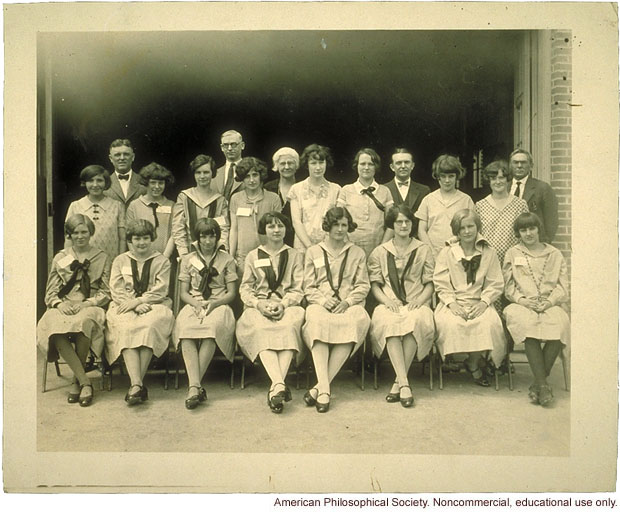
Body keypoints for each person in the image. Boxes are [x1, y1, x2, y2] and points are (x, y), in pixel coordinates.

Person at [37, 214, 111, 407]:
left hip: (89, 304)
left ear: (90, 232)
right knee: (53, 326)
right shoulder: (62, 257)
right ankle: (84, 382)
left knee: (84, 322)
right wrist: (59, 304)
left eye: (84, 232)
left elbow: (105, 291)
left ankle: (75, 381)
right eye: (75, 232)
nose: (80, 236)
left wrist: (87, 303)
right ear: (69, 234)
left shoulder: (101, 257)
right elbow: (51, 290)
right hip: (64, 303)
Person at [302, 207, 371, 412]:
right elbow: (308, 286)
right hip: (321, 303)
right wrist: (323, 301)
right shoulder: (313, 251)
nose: (340, 229)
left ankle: (320, 388)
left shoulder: (357, 252)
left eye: (344, 225)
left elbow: (363, 285)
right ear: (328, 226)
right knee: (317, 322)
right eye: (336, 225)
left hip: (348, 304)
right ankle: (325, 388)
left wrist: (348, 301)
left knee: (356, 320)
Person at [236, 212, 305, 413]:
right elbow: (245, 288)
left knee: (289, 325)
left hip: (287, 304)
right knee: (259, 326)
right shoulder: (253, 255)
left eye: (280, 226)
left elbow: (298, 288)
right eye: (271, 227)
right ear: (264, 231)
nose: (276, 230)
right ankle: (279, 384)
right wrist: (258, 304)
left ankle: (276, 387)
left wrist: (283, 304)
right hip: (259, 304)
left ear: (286, 229)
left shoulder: (294, 255)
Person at [368, 205, 435, 407]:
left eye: (407, 221)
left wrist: (420, 299)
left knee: (416, 320)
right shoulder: (380, 252)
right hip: (389, 302)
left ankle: (399, 383)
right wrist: (386, 301)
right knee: (389, 322)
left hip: (417, 301)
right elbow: (375, 285)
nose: (404, 225)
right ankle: (405, 383)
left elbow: (430, 283)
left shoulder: (423, 249)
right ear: (392, 225)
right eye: (399, 222)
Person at [433, 209, 506, 386]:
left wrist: (484, 302)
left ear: (477, 227)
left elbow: (495, 282)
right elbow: (441, 281)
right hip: (452, 302)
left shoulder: (489, 252)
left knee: (487, 323)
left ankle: (473, 362)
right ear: (457, 231)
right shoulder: (447, 253)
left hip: (479, 301)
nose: (467, 231)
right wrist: (452, 303)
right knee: (451, 323)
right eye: (462, 228)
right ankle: (465, 362)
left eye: (471, 226)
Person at [503, 212, 570, 406]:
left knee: (561, 324)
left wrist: (549, 302)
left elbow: (562, 286)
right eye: (523, 230)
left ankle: (538, 385)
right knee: (528, 325)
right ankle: (543, 385)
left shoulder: (554, 254)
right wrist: (522, 300)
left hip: (550, 302)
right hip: (522, 304)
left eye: (532, 228)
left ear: (539, 229)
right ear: (518, 233)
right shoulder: (513, 253)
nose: (528, 233)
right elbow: (508, 286)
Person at [105, 219, 174, 405]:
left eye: (145, 238)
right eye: (136, 238)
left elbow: (162, 288)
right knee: (126, 327)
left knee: (149, 325)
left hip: (154, 303)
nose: (141, 242)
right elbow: (116, 288)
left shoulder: (162, 261)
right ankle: (138, 385)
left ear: (152, 238)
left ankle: (135, 385)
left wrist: (141, 300)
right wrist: (133, 304)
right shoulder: (120, 260)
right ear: (130, 240)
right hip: (125, 304)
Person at [173, 218, 237, 410]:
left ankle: (193, 385)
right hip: (195, 303)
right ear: (197, 238)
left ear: (217, 238)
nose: (208, 241)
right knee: (186, 329)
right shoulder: (188, 259)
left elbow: (232, 293)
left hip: (219, 303)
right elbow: (183, 292)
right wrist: (197, 304)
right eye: (203, 236)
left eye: (212, 236)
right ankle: (196, 387)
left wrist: (214, 303)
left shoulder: (227, 259)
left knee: (211, 328)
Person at [229, 157, 282, 276]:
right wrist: (231, 257)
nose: (251, 180)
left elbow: (277, 230)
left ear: (261, 175)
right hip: (242, 255)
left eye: (255, 175)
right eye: (247, 176)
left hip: (267, 254)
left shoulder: (273, 199)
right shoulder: (235, 198)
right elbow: (234, 229)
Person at [337, 148, 394, 257]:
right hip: (350, 249)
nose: (366, 167)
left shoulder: (385, 191)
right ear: (357, 166)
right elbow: (339, 220)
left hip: (378, 249)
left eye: (371, 164)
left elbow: (391, 224)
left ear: (376, 167)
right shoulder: (346, 190)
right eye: (363, 164)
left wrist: (382, 248)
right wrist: (348, 246)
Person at [415, 154, 474, 257]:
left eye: (451, 176)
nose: (447, 180)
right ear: (438, 177)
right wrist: (430, 251)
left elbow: (473, 228)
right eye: (443, 176)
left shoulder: (466, 200)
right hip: (432, 254)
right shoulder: (428, 200)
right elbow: (421, 230)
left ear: (457, 177)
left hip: (459, 253)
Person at [287, 144, 341, 254]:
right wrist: (310, 247)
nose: (318, 167)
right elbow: (296, 221)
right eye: (313, 163)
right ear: (307, 165)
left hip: (329, 247)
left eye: (321, 162)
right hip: (303, 247)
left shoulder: (336, 189)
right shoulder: (296, 189)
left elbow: (337, 221)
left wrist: (325, 246)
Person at [172, 154, 229, 257]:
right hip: (188, 252)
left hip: (213, 254)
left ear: (212, 173)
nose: (202, 176)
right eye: (198, 173)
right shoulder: (184, 197)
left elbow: (223, 229)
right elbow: (178, 227)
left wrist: (221, 252)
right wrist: (183, 253)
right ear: (194, 174)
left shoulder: (220, 200)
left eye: (206, 172)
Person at [65, 165, 126, 260]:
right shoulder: (75, 206)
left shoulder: (117, 206)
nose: (95, 185)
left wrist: (120, 261)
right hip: (82, 262)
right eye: (90, 181)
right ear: (84, 183)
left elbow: (122, 238)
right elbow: (68, 238)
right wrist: (70, 263)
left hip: (110, 260)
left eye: (99, 180)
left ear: (106, 183)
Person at [475, 160, 529, 265]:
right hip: (488, 261)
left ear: (508, 179)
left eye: (501, 177)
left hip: (514, 260)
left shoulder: (520, 204)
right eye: (493, 178)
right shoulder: (480, 206)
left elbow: (525, 233)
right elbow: (477, 236)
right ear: (488, 181)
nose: (498, 182)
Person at [125, 162, 176, 258]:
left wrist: (165, 257)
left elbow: (174, 234)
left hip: (165, 257)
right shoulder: (134, 205)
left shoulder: (172, 205)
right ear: (146, 183)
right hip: (139, 257)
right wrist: (137, 257)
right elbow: (129, 234)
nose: (157, 187)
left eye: (161, 183)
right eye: (153, 182)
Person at [508, 148, 558, 243]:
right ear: (510, 166)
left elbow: (552, 221)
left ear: (531, 166)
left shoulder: (542, 188)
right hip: (508, 244)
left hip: (534, 244)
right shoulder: (504, 189)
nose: (519, 166)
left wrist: (543, 243)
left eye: (523, 162)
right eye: (515, 162)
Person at [384, 148, 431, 237]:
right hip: (392, 243)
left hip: (416, 242)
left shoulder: (424, 190)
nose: (403, 166)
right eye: (398, 163)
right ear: (392, 167)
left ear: (412, 165)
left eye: (407, 162)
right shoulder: (383, 189)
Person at [264, 147, 299, 247]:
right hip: (275, 237)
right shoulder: (268, 188)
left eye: (290, 163)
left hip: (298, 237)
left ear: (296, 165)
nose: (287, 167)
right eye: (283, 163)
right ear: (276, 166)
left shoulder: (303, 187)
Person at [105, 139, 146, 208]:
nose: (122, 158)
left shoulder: (144, 182)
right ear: (111, 158)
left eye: (126, 154)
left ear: (133, 157)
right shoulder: (104, 183)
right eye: (117, 155)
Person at [212, 129, 245, 202]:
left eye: (233, 144)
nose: (229, 148)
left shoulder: (250, 172)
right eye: (226, 145)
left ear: (242, 145)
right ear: (222, 148)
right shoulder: (214, 174)